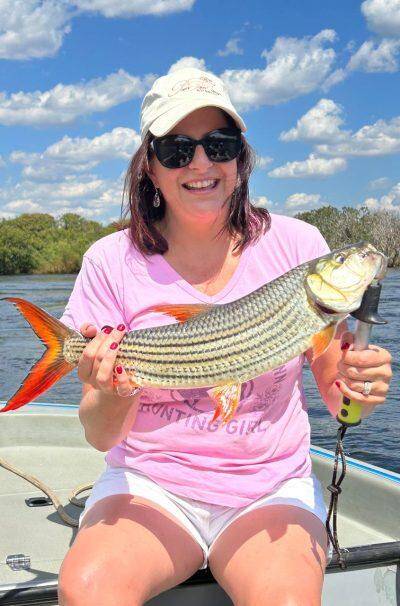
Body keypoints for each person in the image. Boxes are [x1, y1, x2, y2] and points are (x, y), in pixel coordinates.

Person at [57, 67, 392, 606]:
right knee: (88, 591)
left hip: (269, 486)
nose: (201, 163)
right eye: (176, 149)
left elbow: (341, 402)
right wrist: (113, 388)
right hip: (151, 483)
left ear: (241, 157)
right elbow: (100, 435)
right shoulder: (109, 260)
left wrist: (363, 389)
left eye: (219, 144)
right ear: (150, 167)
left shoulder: (298, 244)